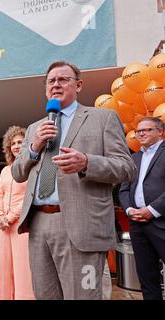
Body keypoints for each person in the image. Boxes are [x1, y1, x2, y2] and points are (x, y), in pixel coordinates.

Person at [11, 61, 135, 299]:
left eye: (63, 79)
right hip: (38, 224)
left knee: (83, 295)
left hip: (81, 226)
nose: (55, 84)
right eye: (51, 81)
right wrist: (35, 147)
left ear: (78, 85)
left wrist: (87, 162)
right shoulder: (34, 128)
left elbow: (126, 167)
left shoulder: (103, 118)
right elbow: (18, 173)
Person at [119, 117, 165, 300]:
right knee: (147, 277)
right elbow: (123, 189)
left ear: (160, 131)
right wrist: (130, 210)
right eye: (139, 131)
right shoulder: (133, 157)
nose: (141, 134)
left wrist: (152, 210)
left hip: (161, 221)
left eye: (147, 130)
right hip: (137, 224)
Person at [0, 126, 35, 300]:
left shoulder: (32, 168)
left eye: (20, 142)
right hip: (2, 226)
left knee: (22, 268)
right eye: (13, 144)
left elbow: (28, 197)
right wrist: (0, 216)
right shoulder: (4, 170)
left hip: (21, 225)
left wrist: (9, 218)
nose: (16, 146)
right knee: (3, 268)